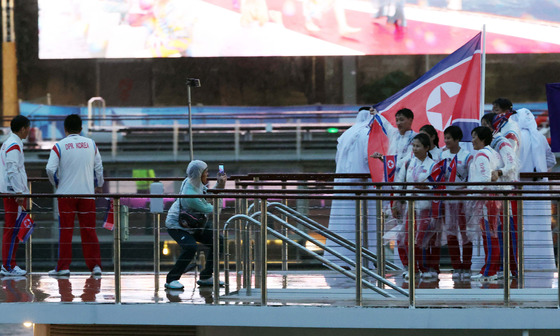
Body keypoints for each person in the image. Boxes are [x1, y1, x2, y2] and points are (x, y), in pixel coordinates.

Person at [46, 114, 104, 277]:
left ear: (65, 129)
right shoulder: (91, 144)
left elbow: (50, 169)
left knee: (66, 231)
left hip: (66, 195)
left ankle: (63, 267)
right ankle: (95, 266)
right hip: (87, 194)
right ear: (81, 128)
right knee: (89, 230)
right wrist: (99, 185)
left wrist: (56, 182)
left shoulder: (59, 146)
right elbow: (99, 168)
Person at [324, 107, 378, 269]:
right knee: (367, 222)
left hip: (343, 183)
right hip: (365, 183)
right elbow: (368, 158)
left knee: (344, 221)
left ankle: (344, 258)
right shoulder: (368, 134)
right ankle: (367, 259)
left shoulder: (346, 134)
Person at [164, 160, 226, 290]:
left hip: (193, 223)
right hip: (177, 225)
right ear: (199, 174)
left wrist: (220, 185)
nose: (208, 175)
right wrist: (220, 190)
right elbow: (215, 209)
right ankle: (172, 279)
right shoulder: (191, 195)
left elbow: (208, 196)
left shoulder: (194, 182)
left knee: (218, 241)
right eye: (206, 172)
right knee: (190, 247)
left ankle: (206, 276)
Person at [515, 108, 557, 273]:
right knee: (540, 225)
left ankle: (518, 263)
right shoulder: (540, 137)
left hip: (520, 188)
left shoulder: (516, 138)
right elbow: (551, 160)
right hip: (539, 188)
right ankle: (542, 263)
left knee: (520, 224)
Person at [481, 113, 520, 278]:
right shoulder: (489, 146)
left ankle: (510, 270)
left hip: (502, 193)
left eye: (484, 125)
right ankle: (496, 269)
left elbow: (512, 164)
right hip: (491, 194)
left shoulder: (502, 142)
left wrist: (499, 172)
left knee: (505, 231)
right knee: (493, 232)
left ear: (491, 126)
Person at [394, 133, 436, 280]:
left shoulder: (433, 165)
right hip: (409, 208)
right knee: (403, 239)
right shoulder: (408, 163)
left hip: (425, 208)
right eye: (413, 146)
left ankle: (424, 268)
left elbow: (437, 186)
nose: (415, 149)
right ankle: (411, 268)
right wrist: (395, 203)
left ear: (426, 148)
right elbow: (400, 184)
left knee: (420, 240)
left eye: (418, 146)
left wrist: (426, 188)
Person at [468, 126, 501, 281]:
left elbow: (484, 179)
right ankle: (489, 269)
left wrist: (472, 193)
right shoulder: (493, 153)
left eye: (474, 137)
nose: (472, 140)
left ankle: (490, 271)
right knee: (490, 235)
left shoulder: (482, 155)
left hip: (486, 200)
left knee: (489, 235)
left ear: (482, 139)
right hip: (491, 199)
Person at [441, 125, 474, 279]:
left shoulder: (468, 156)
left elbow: (472, 178)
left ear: (457, 139)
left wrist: (464, 190)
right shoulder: (442, 155)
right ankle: (456, 266)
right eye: (445, 137)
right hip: (448, 200)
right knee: (451, 234)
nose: (446, 140)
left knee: (465, 233)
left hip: (463, 199)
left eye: (449, 138)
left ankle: (466, 267)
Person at [0, 116, 31, 276]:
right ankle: (8, 265)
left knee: (12, 228)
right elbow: (12, 169)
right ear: (23, 129)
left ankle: (9, 264)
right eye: (28, 127)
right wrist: (19, 191)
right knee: (12, 229)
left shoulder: (9, 143)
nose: (29, 130)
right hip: (14, 194)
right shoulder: (13, 145)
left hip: (12, 192)